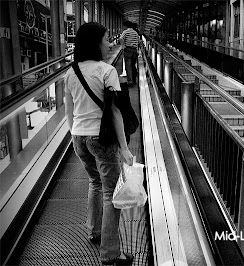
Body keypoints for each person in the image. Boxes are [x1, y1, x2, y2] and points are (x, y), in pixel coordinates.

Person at [64, 22, 134, 265]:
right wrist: (124, 148)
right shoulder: (107, 71)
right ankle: (110, 254)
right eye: (106, 40)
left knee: (95, 182)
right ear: (96, 43)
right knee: (111, 193)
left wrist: (76, 134)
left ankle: (93, 230)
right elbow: (115, 113)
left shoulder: (70, 72)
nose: (109, 44)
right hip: (101, 139)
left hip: (79, 137)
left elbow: (69, 108)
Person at [120, 21, 139, 86]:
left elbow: (121, 38)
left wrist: (123, 46)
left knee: (128, 66)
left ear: (125, 26)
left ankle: (130, 81)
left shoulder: (125, 32)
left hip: (128, 50)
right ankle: (134, 80)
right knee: (133, 65)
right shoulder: (135, 33)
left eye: (123, 26)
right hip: (134, 50)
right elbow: (138, 41)